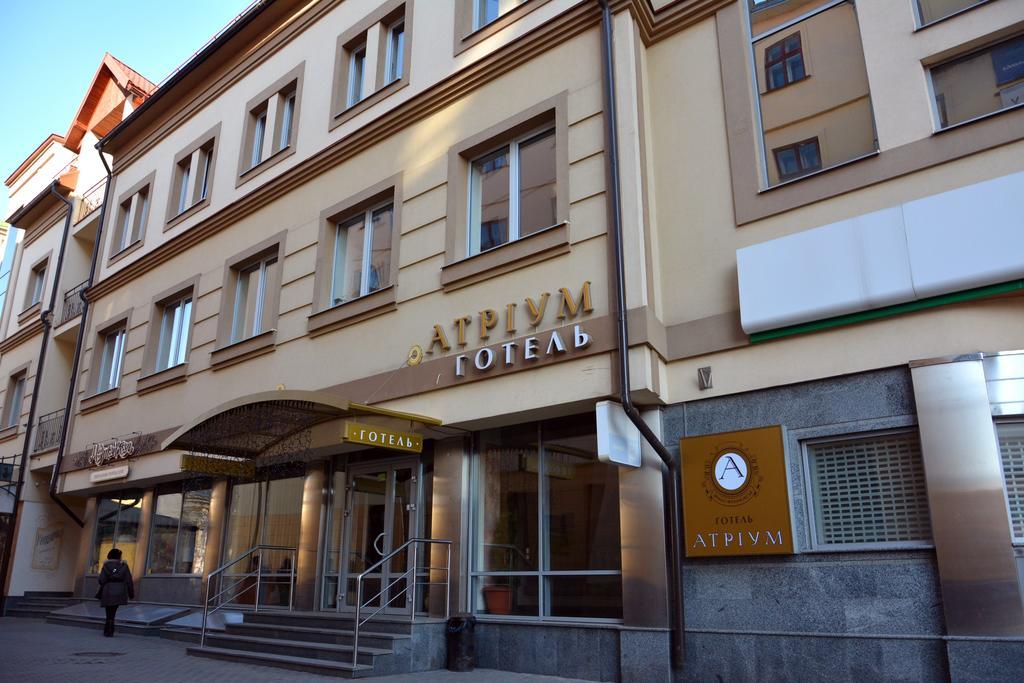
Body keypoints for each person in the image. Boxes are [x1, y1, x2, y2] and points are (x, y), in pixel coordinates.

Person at [96, 548, 134, 637]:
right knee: (113, 611)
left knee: (108, 612)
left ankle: (107, 630)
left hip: (107, 590)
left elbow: (101, 580)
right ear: (119, 556)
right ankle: (111, 630)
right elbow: (129, 580)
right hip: (119, 590)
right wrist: (131, 593)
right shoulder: (124, 566)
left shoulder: (105, 566)